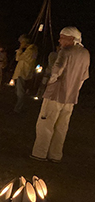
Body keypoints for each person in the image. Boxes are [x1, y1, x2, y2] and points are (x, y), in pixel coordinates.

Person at [31, 27, 90, 162]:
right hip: (71, 97)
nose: (59, 40)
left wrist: (50, 85)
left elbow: (56, 71)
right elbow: (84, 76)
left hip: (55, 94)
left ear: (71, 39)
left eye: (62, 37)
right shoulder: (85, 53)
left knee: (46, 124)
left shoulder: (66, 52)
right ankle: (56, 155)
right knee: (62, 126)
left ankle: (40, 153)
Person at [12, 34, 38, 113]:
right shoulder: (32, 49)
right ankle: (17, 107)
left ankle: (18, 109)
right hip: (24, 72)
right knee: (19, 91)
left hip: (23, 72)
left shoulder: (30, 50)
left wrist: (20, 49)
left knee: (20, 92)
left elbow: (18, 58)